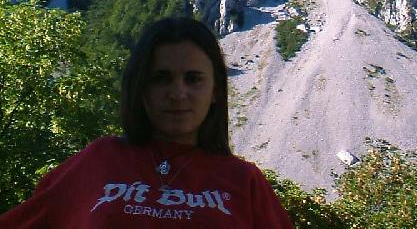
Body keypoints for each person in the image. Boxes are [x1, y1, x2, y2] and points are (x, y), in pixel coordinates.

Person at [0, 17, 294, 228]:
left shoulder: (244, 181)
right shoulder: (98, 161)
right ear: (140, 87)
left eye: (193, 79)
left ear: (215, 90)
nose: (177, 93)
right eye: (161, 78)